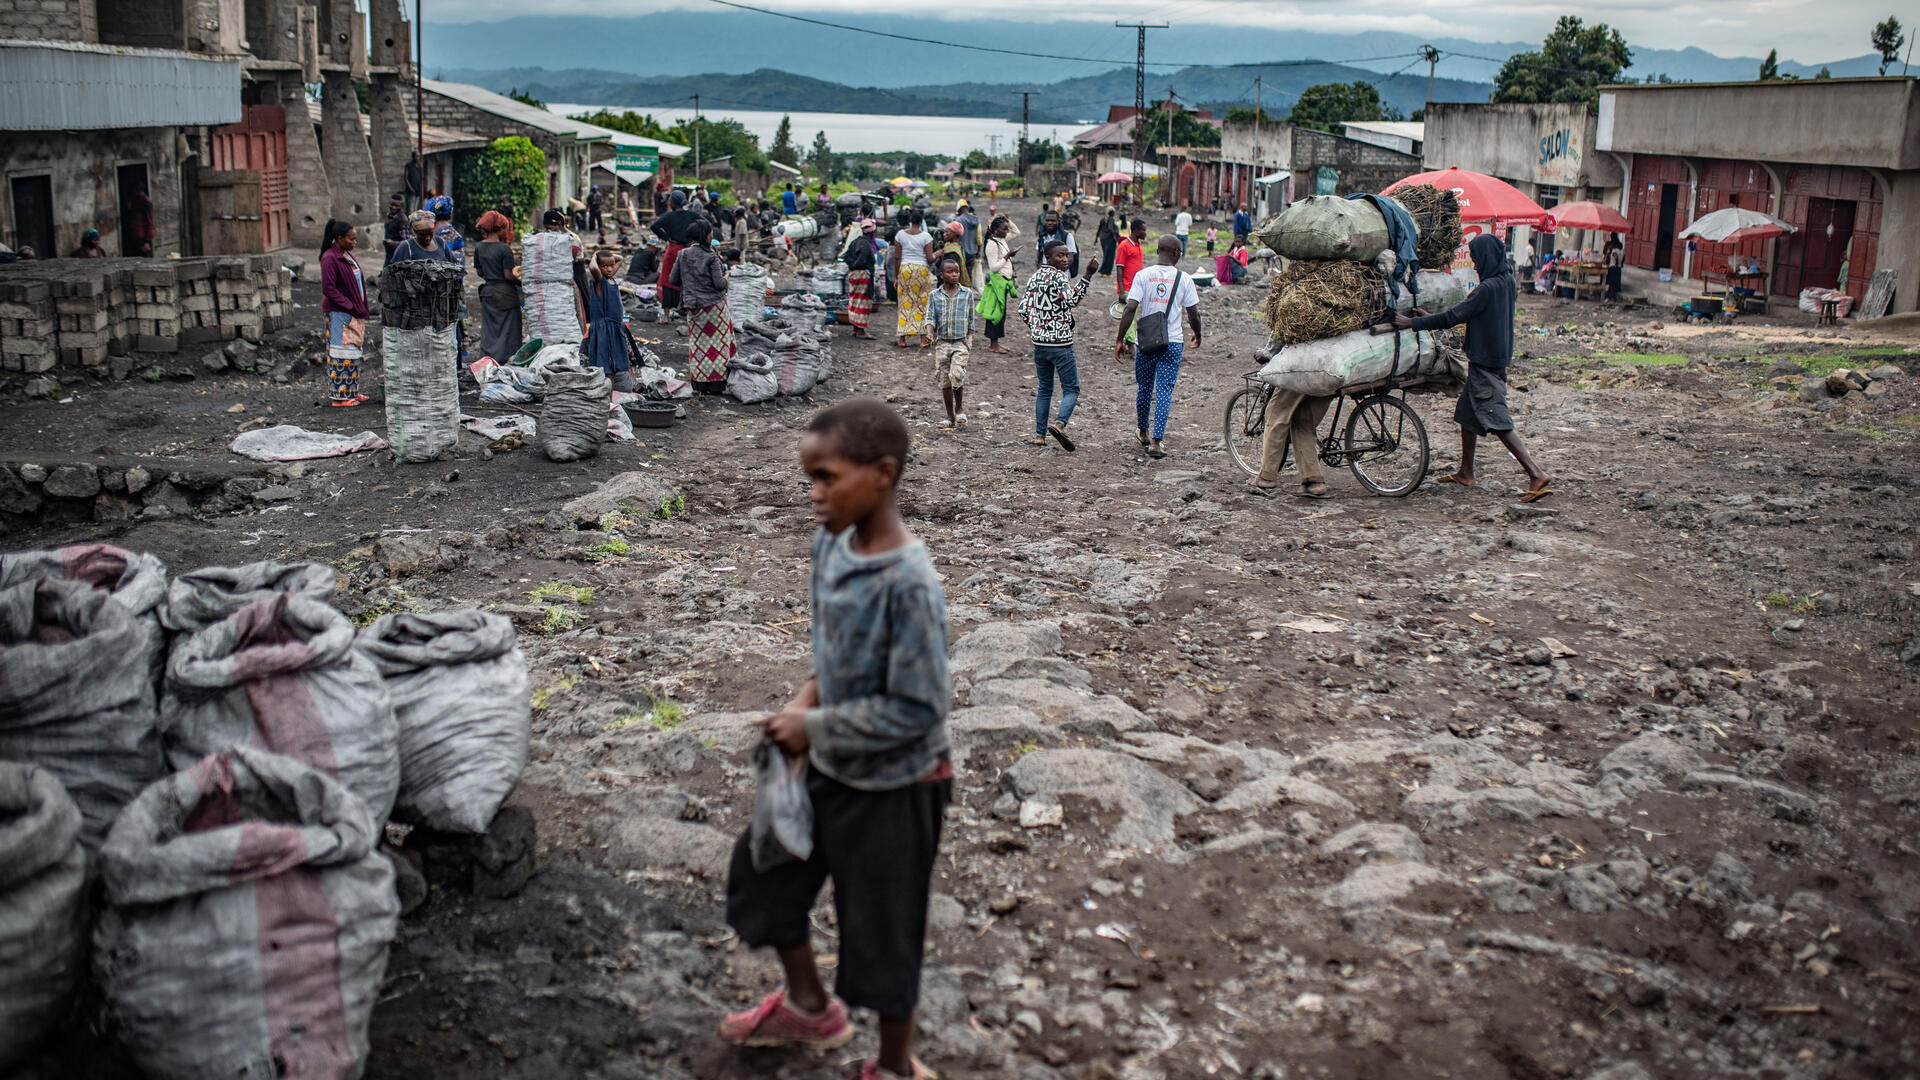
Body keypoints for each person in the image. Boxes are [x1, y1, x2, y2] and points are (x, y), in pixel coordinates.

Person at [717, 397, 953, 1080]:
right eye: (809, 480)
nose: (815, 495)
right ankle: (810, 1005)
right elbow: (835, 650)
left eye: (827, 478)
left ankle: (893, 1065)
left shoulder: (910, 584)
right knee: (765, 876)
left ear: (883, 474)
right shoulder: (831, 543)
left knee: (883, 936)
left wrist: (811, 725)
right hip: (826, 762)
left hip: (896, 787)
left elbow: (919, 711)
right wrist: (806, 700)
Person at [1392, 233, 1552, 502]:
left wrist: (1413, 324)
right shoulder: (1507, 283)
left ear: (1487, 258)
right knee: (1467, 415)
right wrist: (1431, 317)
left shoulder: (1486, 289)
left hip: (1486, 362)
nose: (1475, 265)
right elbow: (1468, 314)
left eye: (1477, 259)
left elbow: (1456, 316)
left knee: (1498, 419)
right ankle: (1466, 472)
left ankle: (1535, 473)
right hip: (1496, 358)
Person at [1114, 236, 1201, 460]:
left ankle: (1142, 431)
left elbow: (1130, 308)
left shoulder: (1143, 275)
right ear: (1177, 253)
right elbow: (1193, 313)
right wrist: (1197, 334)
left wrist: (1119, 339)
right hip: (1172, 342)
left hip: (1146, 343)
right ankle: (1156, 441)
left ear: (1158, 250)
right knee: (1164, 391)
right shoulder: (1185, 279)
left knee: (1144, 388)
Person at [1016, 239, 1099, 450]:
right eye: (1060, 256)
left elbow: (1023, 309)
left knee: (1045, 389)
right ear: (1048, 257)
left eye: (1067, 255)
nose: (1065, 259)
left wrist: (1037, 327)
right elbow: (1072, 300)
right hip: (1061, 344)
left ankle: (1039, 435)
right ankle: (1060, 424)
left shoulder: (1034, 277)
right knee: (1071, 388)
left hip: (1039, 343)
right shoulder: (1058, 277)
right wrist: (1088, 275)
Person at [670, 220, 735, 394]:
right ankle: (716, 384)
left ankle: (699, 384)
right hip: (715, 308)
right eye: (710, 233)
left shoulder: (683, 254)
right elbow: (719, 284)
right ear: (705, 235)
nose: (712, 235)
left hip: (693, 307)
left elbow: (673, 280)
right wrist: (727, 275)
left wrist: (691, 282)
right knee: (718, 346)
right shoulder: (711, 256)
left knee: (698, 345)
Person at [319, 219, 371, 408]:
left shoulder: (345, 254)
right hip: (338, 313)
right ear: (339, 239)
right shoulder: (330, 258)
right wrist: (350, 305)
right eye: (351, 239)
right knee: (339, 354)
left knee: (352, 352)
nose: (354, 243)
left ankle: (351, 391)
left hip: (352, 311)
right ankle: (339, 397)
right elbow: (329, 289)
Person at [923, 255, 974, 429]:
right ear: (941, 274)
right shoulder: (934, 295)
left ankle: (959, 408)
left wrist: (969, 340)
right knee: (944, 380)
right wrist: (930, 333)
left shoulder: (967, 294)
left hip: (961, 342)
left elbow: (971, 319)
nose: (954, 275)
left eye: (957, 271)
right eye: (950, 272)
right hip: (942, 342)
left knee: (956, 374)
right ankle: (950, 416)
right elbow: (930, 316)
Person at [579, 248, 638, 391]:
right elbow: (593, 267)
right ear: (599, 268)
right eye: (605, 266)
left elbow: (620, 259)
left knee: (616, 363)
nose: (610, 269)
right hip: (604, 330)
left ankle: (610, 394)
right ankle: (607, 398)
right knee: (607, 367)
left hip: (615, 328)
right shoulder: (600, 281)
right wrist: (594, 256)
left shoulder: (610, 279)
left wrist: (605, 257)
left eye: (611, 265)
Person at [522, 208, 584, 345]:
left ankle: (573, 341)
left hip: (568, 282)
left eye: (555, 226)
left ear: (561, 226)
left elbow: (572, 260)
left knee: (572, 312)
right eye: (549, 227)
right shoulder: (539, 240)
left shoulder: (570, 239)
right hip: (548, 284)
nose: (552, 230)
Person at [473, 210, 522, 363]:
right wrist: (522, 281)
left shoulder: (479, 247)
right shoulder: (504, 249)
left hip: (487, 293)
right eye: (505, 229)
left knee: (490, 330)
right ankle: (506, 360)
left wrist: (490, 275)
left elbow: (480, 271)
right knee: (509, 329)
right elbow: (508, 275)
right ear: (499, 229)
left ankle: (488, 360)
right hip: (505, 294)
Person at [651, 190, 702, 322]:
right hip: (687, 251)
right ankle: (687, 313)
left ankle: (666, 316)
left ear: (673, 202)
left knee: (667, 280)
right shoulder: (691, 215)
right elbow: (705, 224)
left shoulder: (669, 216)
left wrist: (666, 237)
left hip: (673, 250)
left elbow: (654, 226)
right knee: (687, 280)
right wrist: (695, 239)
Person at [890, 210, 934, 348]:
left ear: (910, 220)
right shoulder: (926, 237)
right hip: (921, 271)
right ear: (921, 222)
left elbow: (897, 258)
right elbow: (930, 259)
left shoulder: (900, 235)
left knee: (904, 303)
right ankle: (922, 339)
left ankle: (902, 339)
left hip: (905, 271)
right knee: (922, 304)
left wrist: (897, 276)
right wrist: (938, 252)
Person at [978, 216, 1018, 355]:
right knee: (996, 312)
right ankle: (993, 345)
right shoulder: (992, 244)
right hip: (997, 280)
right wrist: (1007, 256)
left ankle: (996, 343)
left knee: (1001, 312)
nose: (1007, 231)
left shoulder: (1001, 240)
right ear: (995, 230)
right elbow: (993, 267)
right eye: (1004, 229)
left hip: (1004, 281)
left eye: (1007, 229)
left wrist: (1007, 219)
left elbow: (1016, 232)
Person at [843, 219, 878, 339]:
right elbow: (862, 259)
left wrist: (852, 266)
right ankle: (861, 331)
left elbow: (846, 256)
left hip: (854, 275)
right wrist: (856, 265)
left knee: (854, 301)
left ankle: (855, 328)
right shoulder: (866, 245)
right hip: (863, 276)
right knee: (863, 302)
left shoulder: (855, 242)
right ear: (872, 233)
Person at [1034, 210, 1078, 278]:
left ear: (1059, 221)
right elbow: (1038, 258)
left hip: (1062, 276)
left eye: (1053, 220)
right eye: (1047, 220)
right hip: (1045, 277)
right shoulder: (1042, 237)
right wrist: (1042, 273)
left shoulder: (1067, 236)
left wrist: (1056, 274)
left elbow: (1070, 258)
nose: (1050, 223)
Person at [954, 203, 981, 292]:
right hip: (973, 251)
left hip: (961, 251)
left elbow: (955, 235)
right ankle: (968, 291)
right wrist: (979, 250)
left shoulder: (959, 220)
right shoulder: (976, 219)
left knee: (960, 273)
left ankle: (961, 292)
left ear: (960, 209)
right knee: (969, 272)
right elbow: (979, 236)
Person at [383, 194, 408, 261]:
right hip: (389, 255)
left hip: (398, 257)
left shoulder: (403, 219)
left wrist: (392, 243)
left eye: (397, 206)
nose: (393, 207)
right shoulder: (388, 215)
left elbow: (406, 242)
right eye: (392, 204)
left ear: (401, 206)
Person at [1096, 209, 1119, 277]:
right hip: (1110, 240)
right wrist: (1115, 235)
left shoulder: (1103, 219)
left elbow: (1099, 229)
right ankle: (1107, 272)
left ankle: (1103, 271)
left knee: (1106, 255)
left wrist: (1096, 239)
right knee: (1110, 256)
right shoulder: (1111, 219)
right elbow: (1110, 228)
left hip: (1103, 239)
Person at [1603, 233, 1624, 302]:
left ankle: (1611, 296)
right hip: (1618, 267)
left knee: (1611, 282)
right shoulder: (1620, 246)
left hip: (1612, 266)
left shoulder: (1611, 247)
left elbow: (1608, 256)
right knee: (1614, 282)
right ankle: (1610, 295)